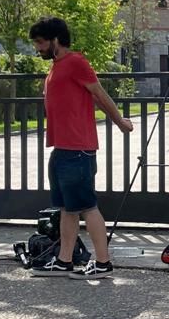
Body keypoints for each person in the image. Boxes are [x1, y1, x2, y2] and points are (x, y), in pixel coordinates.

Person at [29, 17, 135, 277]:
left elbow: (99, 93)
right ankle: (64, 260)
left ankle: (102, 262)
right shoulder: (56, 67)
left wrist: (120, 121)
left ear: (55, 40)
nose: (38, 48)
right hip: (62, 149)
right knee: (67, 208)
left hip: (78, 149)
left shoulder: (76, 62)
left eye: (41, 43)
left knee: (87, 206)